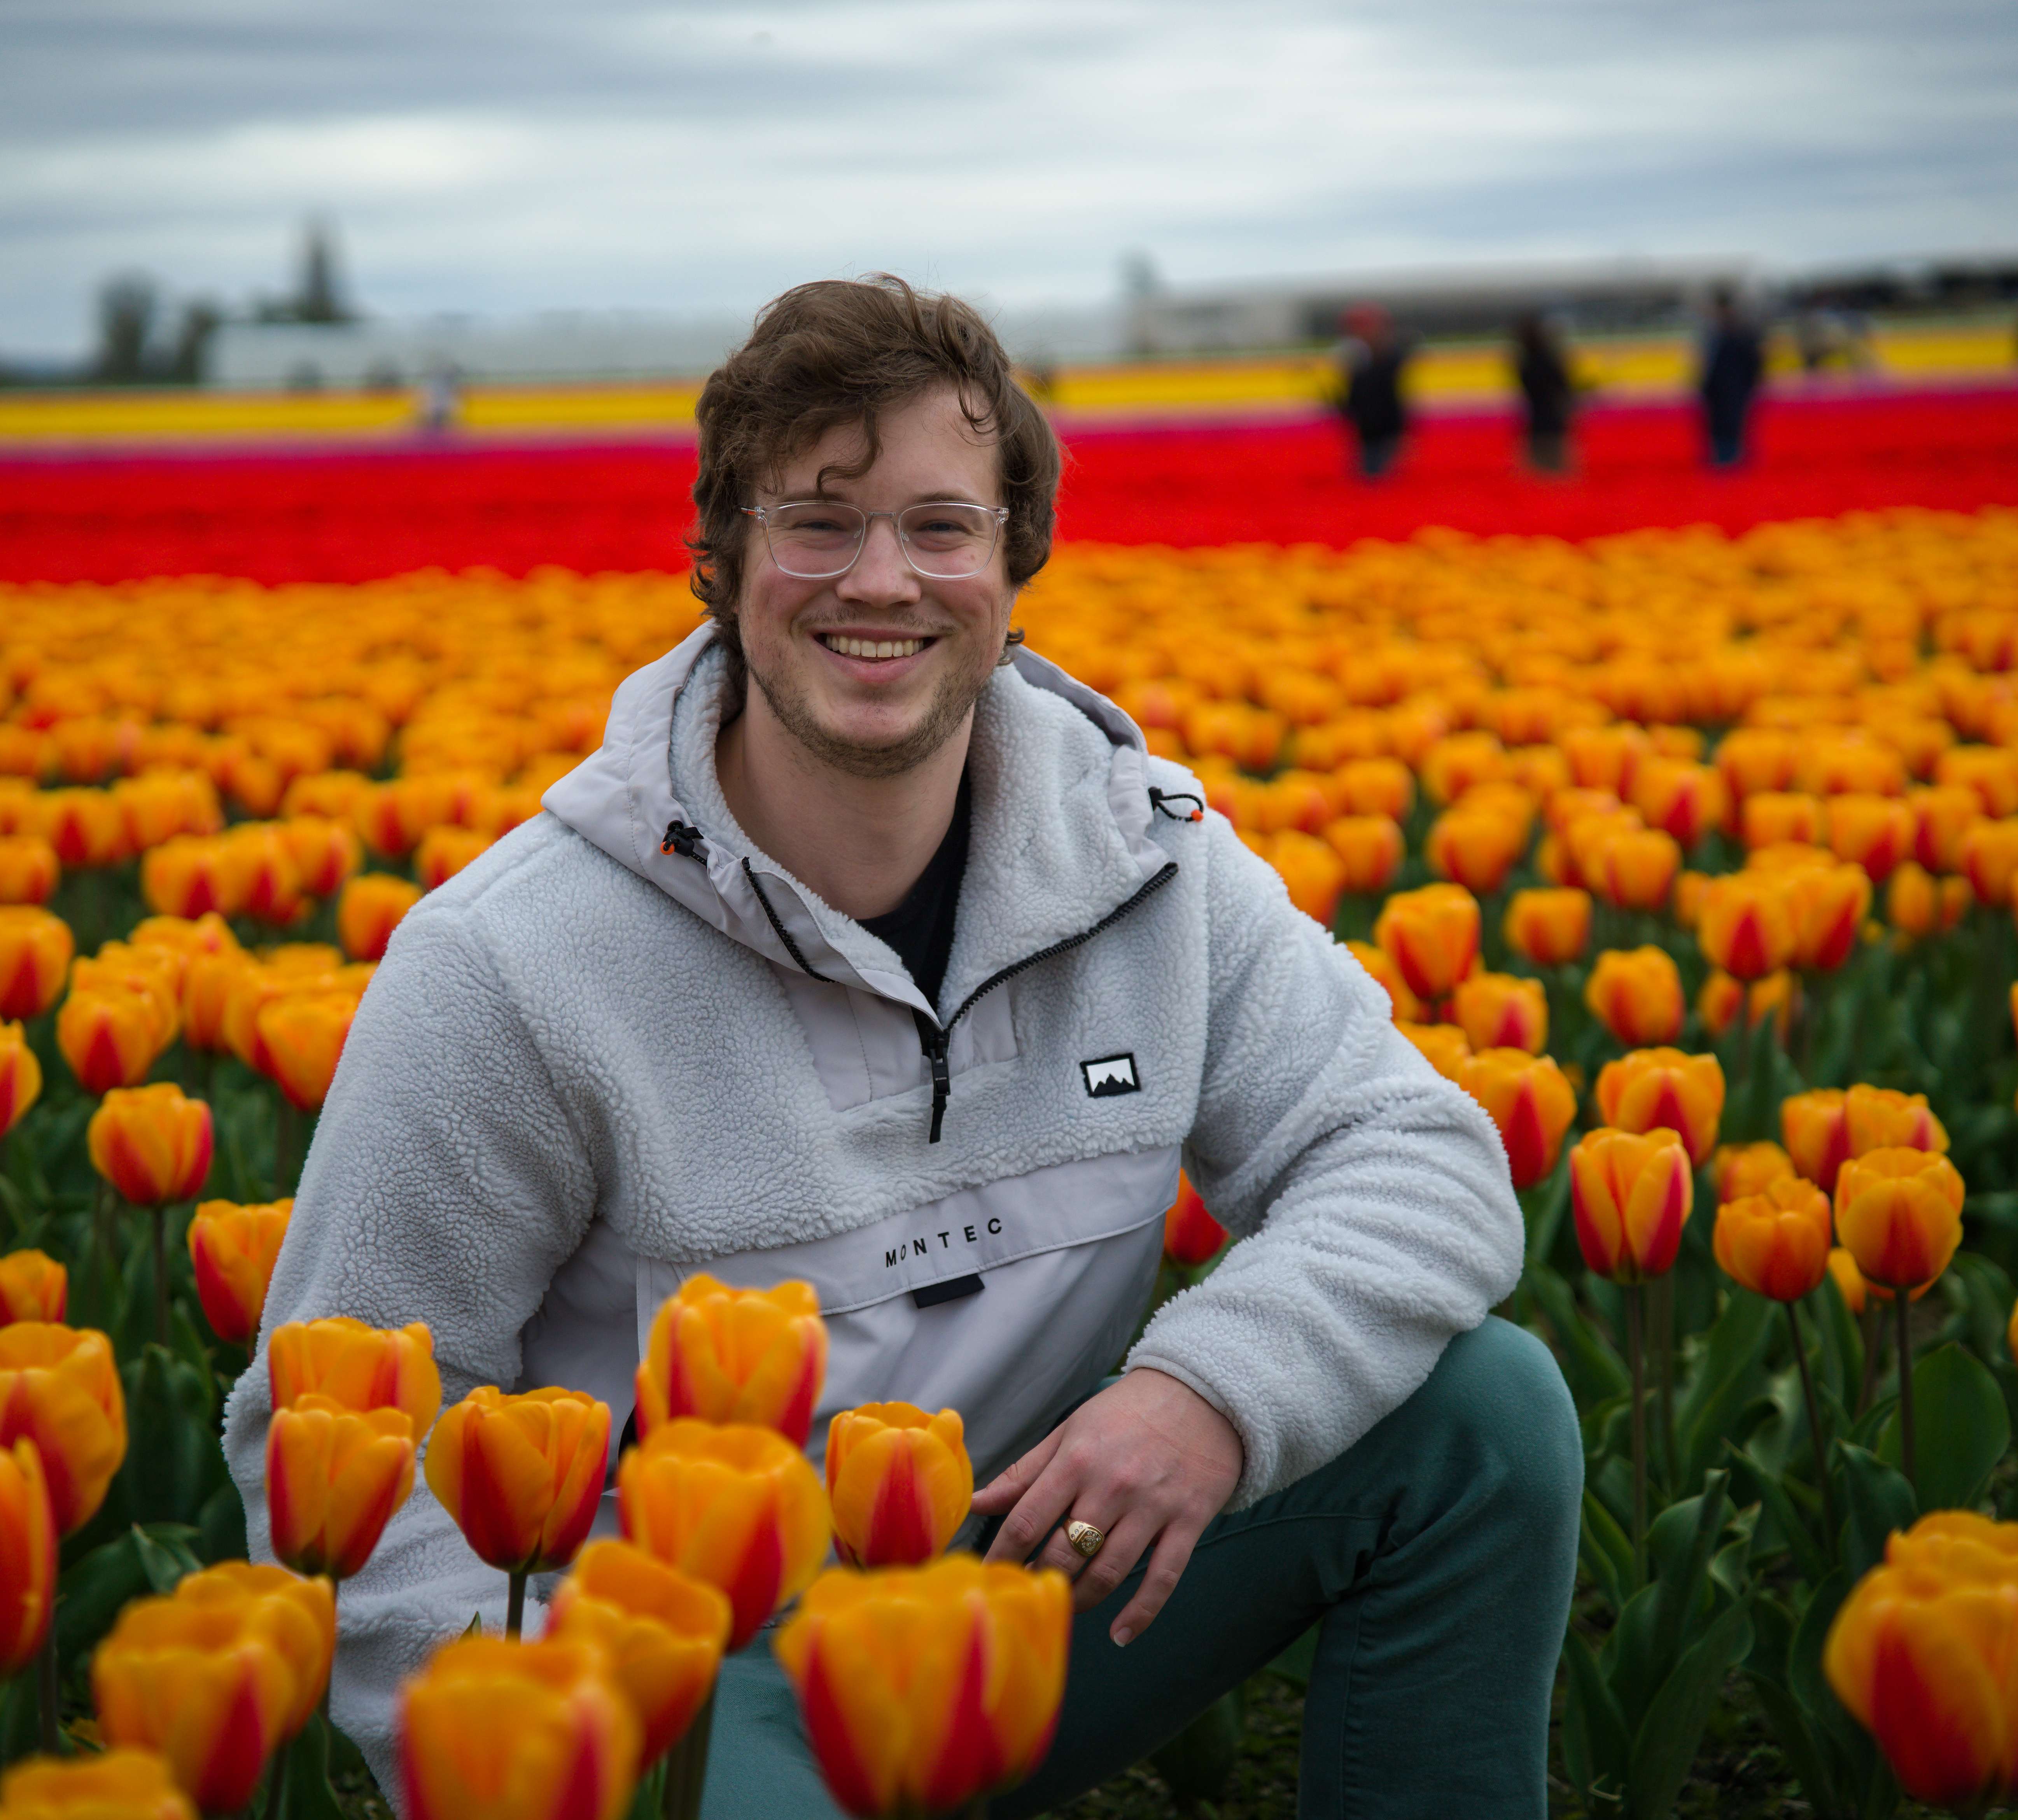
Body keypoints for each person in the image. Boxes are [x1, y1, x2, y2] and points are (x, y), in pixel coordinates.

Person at [224, 275, 1576, 1818]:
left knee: (1481, 1418)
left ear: (1013, 563)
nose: (882, 581)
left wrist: (1204, 1393)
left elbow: (1420, 1156)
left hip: (1019, 1585)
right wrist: (528, 1752)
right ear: (723, 560)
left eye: (941, 528)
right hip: (679, 1682)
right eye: (819, 523)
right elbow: (340, 1420)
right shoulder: (514, 962)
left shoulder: (1147, 868)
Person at [1331, 301, 1413, 480]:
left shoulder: (1390, 355)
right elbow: (1353, 396)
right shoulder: (1355, 355)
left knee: (1378, 474)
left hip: (1385, 424)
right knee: (1370, 474)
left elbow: (1385, 390)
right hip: (1366, 426)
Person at [1695, 284, 1763, 468]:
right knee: (1717, 425)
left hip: (1735, 389)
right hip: (1716, 391)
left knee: (1733, 424)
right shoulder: (1713, 332)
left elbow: (1753, 361)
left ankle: (1731, 459)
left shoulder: (1740, 332)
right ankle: (1722, 458)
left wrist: (1748, 384)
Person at [1511, 312, 1576, 474]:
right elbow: (1564, 389)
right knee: (1555, 474)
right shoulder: (1548, 362)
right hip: (1552, 426)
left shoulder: (1524, 364)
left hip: (1535, 426)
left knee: (1538, 475)